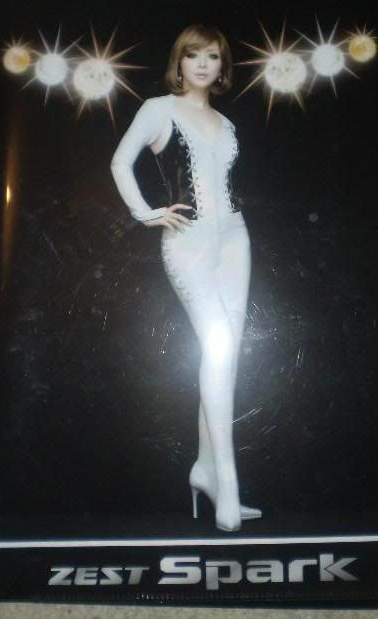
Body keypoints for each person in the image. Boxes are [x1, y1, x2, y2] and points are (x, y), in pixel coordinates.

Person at [111, 23, 261, 531]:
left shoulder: (227, 123)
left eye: (212, 56)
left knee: (226, 360)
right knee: (218, 352)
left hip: (235, 240)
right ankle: (229, 488)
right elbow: (120, 162)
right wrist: (146, 213)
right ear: (179, 62)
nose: (202, 64)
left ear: (222, 67)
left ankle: (205, 470)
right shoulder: (159, 109)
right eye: (193, 55)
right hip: (188, 242)